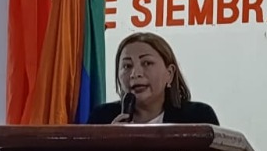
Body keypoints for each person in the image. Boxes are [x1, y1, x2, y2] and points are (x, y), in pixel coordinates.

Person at [87, 32, 219, 125]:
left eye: (147, 63)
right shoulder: (102, 118)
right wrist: (108, 143)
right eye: (127, 66)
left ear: (169, 73)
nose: (135, 74)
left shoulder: (198, 117)